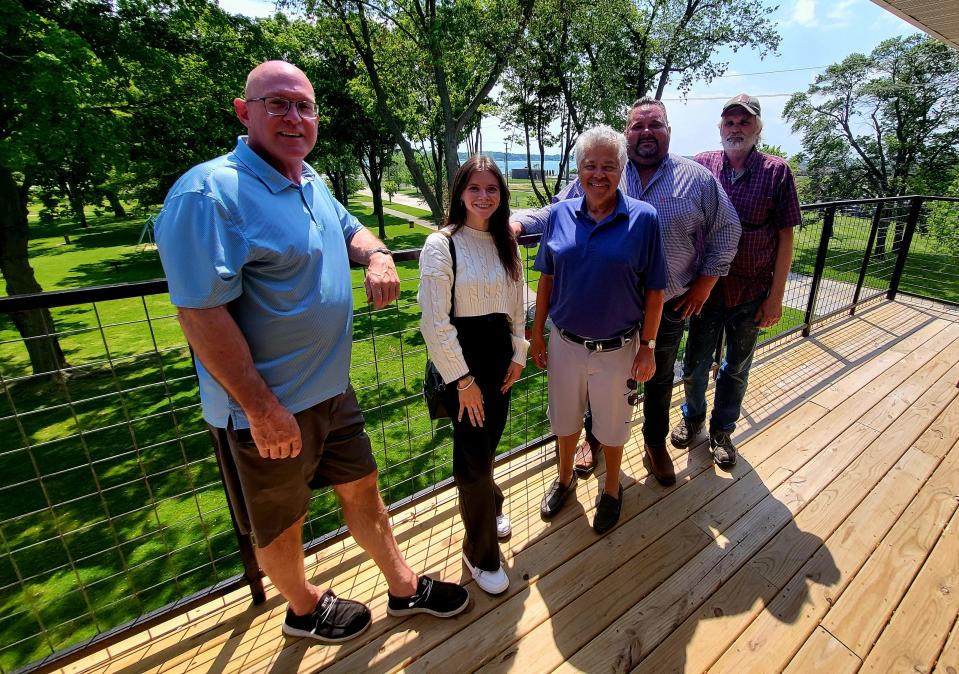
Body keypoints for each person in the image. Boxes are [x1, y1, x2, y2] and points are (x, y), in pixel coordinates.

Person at [154, 60, 468, 644]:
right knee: (282, 521)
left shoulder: (309, 178)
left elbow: (351, 229)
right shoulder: (209, 193)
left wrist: (375, 255)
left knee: (364, 490)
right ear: (245, 113)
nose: (293, 116)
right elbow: (199, 312)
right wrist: (259, 406)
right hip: (267, 408)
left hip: (332, 390)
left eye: (303, 105)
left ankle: (403, 589)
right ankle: (303, 608)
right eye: (277, 104)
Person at [514, 98, 740, 486]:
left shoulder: (696, 178)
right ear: (626, 134)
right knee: (596, 379)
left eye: (655, 125)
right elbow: (557, 212)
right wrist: (515, 222)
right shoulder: (608, 168)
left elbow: (728, 230)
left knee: (657, 377)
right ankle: (594, 442)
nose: (646, 133)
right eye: (637, 126)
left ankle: (654, 444)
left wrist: (704, 285)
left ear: (669, 131)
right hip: (606, 306)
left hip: (667, 304)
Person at [530, 125, 667, 534]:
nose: (599, 174)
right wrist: (537, 334)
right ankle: (565, 478)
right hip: (565, 343)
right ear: (579, 170)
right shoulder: (558, 214)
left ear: (622, 169)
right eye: (590, 165)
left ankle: (611, 490)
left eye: (609, 165)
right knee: (566, 420)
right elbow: (546, 280)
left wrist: (648, 346)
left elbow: (656, 290)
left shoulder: (644, 219)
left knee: (613, 424)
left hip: (619, 348)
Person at [671, 94, 800, 467]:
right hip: (706, 289)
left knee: (736, 367)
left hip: (750, 291)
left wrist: (775, 297)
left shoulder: (777, 172)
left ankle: (722, 430)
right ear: (720, 127)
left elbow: (786, 237)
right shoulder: (703, 165)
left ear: (758, 128)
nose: (736, 128)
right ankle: (692, 418)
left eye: (744, 122)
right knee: (695, 363)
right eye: (729, 121)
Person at [418, 156, 527, 595]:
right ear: (460, 192)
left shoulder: (506, 241)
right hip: (464, 364)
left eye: (492, 189)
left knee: (486, 448)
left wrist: (518, 355)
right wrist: (462, 382)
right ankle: (479, 553)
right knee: (472, 461)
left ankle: (491, 503)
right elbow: (434, 323)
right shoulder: (440, 245)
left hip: (500, 358)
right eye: (475, 188)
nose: (484, 197)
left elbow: (517, 305)